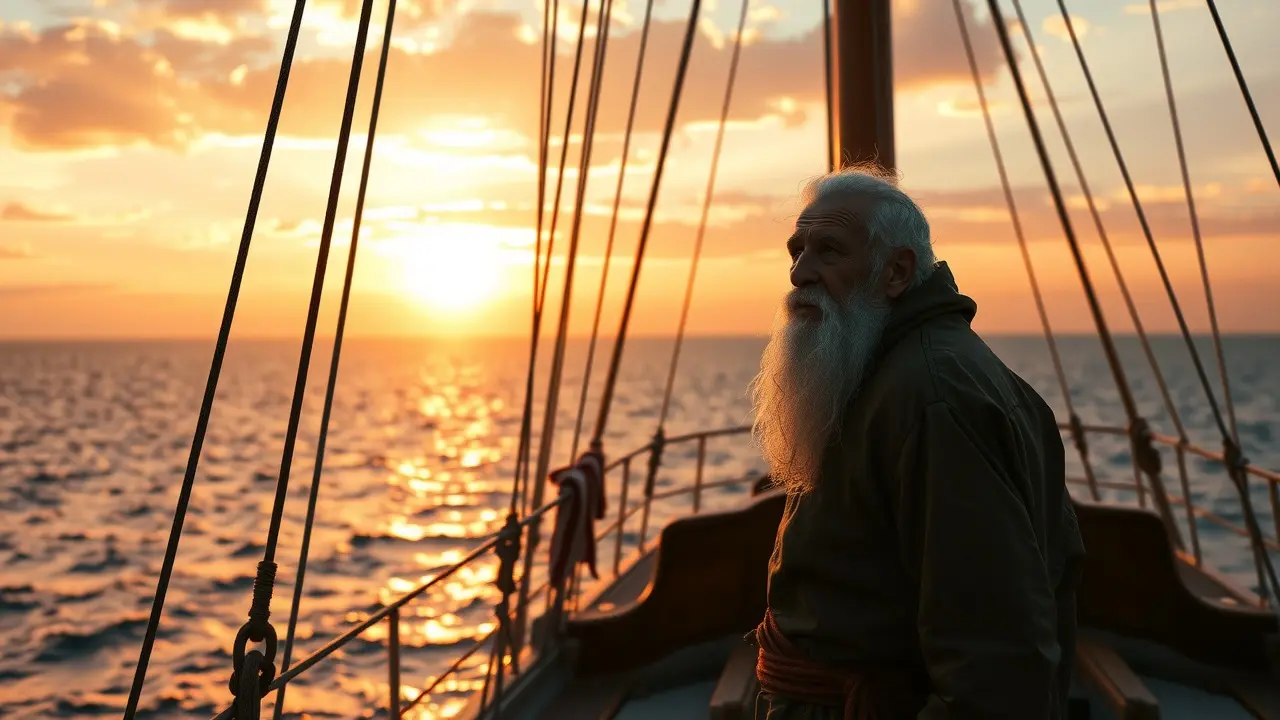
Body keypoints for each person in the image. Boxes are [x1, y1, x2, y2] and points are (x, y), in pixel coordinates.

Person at [748, 163, 1086, 719]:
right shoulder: (877, 368)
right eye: (797, 251)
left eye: (829, 251)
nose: (800, 273)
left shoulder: (935, 399)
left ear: (897, 272)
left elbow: (996, 665)